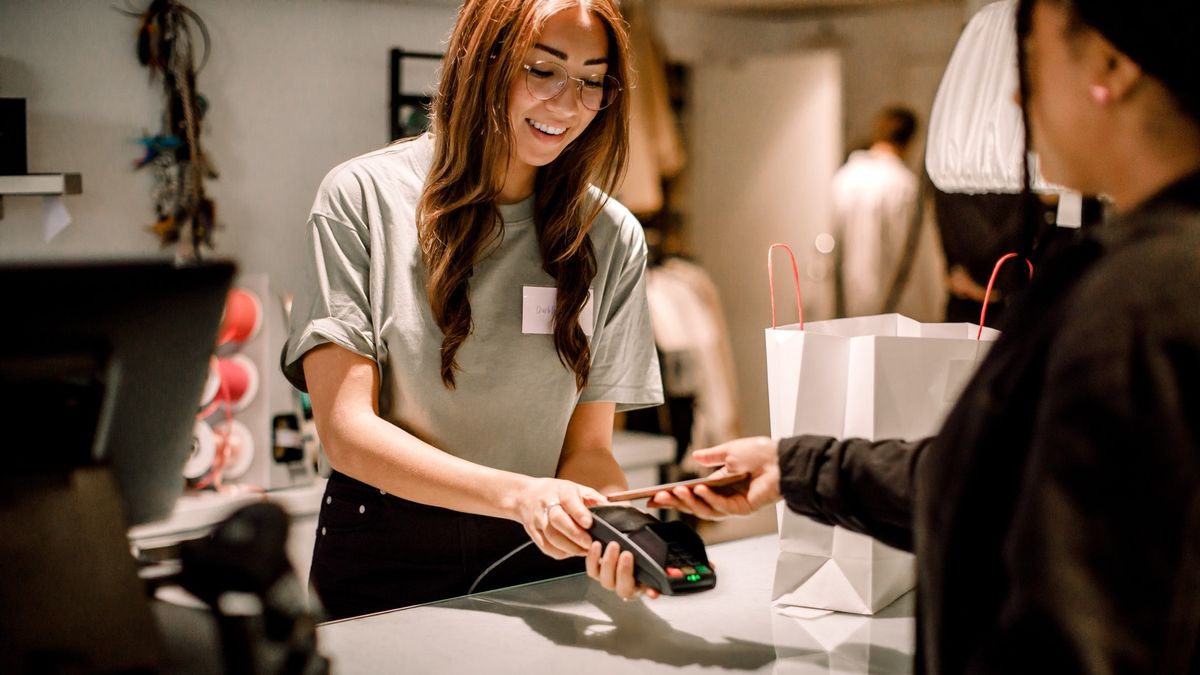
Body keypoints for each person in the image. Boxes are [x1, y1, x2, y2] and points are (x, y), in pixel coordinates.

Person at [651, 0, 1200, 672]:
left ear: (1110, 66)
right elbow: (996, 481)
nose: (1014, 93)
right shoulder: (1133, 279)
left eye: (1029, 61)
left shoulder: (1138, 301)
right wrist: (794, 465)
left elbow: (1081, 606)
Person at [282, 0, 664, 620]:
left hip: (539, 557)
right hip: (384, 554)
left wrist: (609, 521)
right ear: (479, 62)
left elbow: (589, 448)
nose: (568, 106)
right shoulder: (360, 199)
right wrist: (518, 496)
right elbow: (346, 432)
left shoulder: (611, 235)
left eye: (593, 81)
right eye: (543, 70)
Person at [832, 106, 933, 318]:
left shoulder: (844, 178)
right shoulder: (902, 186)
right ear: (910, 141)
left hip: (848, 302)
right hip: (894, 307)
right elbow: (912, 257)